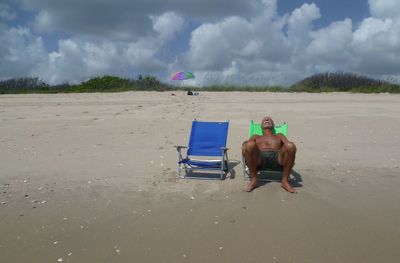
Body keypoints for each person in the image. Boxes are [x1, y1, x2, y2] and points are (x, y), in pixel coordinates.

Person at [241, 116, 297, 193]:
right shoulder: (256, 136)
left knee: (291, 145)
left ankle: (285, 181)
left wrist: (288, 148)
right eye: (264, 120)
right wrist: (245, 145)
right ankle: (254, 180)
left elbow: (289, 147)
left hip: (278, 159)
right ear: (261, 127)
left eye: (269, 120)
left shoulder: (279, 135)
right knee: (249, 144)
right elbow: (246, 147)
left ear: (273, 125)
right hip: (259, 159)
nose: (267, 119)